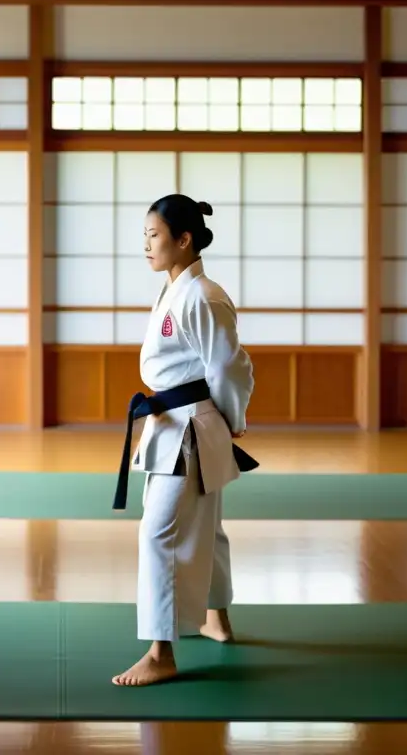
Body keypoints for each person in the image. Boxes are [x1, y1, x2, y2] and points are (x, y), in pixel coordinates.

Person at [112, 194, 254, 688]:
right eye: (146, 236)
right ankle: (216, 618)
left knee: (159, 533)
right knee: (206, 526)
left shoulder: (204, 296)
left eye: (154, 235)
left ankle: (160, 652)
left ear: (183, 239)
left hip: (193, 426)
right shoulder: (177, 290)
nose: (146, 245)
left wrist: (233, 418)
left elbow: (230, 366)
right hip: (174, 422)